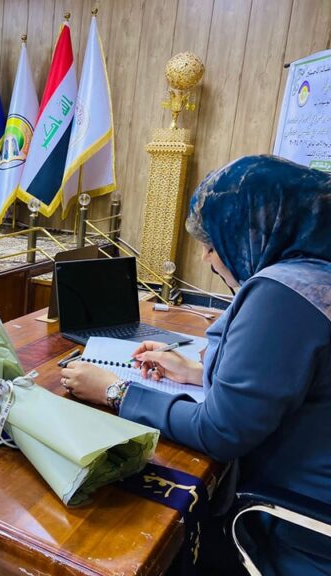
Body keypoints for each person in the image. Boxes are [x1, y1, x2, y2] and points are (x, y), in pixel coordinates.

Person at [60, 155, 331, 575]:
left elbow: (220, 432)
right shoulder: (317, 276)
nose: (206, 258)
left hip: (294, 527)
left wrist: (115, 391)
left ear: (254, 232)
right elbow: (293, 379)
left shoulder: (283, 294)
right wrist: (195, 372)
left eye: (213, 243)